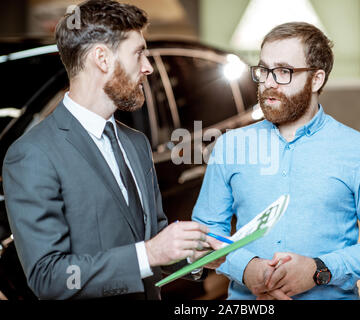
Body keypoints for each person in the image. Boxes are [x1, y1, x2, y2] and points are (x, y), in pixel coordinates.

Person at [2, 0, 222, 300]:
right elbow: (49, 278)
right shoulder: (32, 155)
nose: (148, 67)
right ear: (102, 59)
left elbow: (154, 242)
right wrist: (148, 253)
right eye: (138, 53)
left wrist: (194, 254)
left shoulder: (136, 143)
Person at [192, 22, 360, 300]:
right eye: (264, 70)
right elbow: (203, 236)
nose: (268, 82)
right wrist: (246, 269)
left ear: (316, 79)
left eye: (283, 71)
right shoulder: (230, 146)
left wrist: (319, 270)